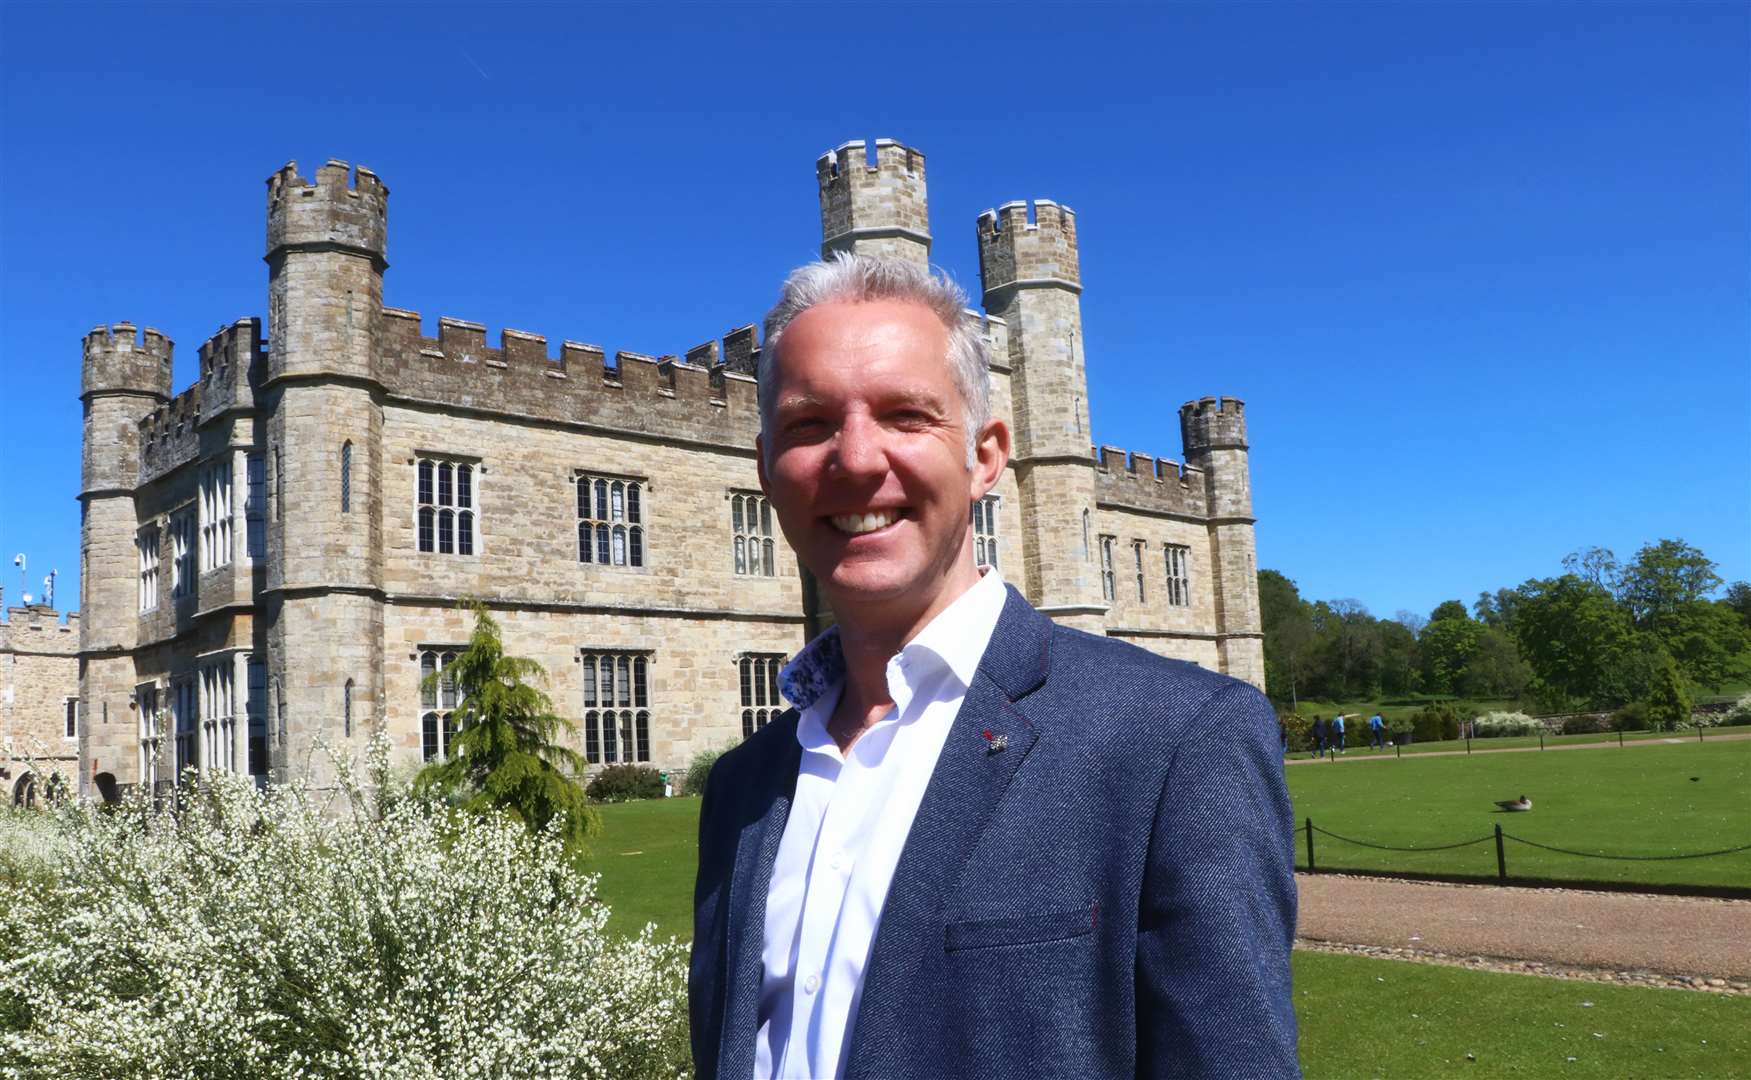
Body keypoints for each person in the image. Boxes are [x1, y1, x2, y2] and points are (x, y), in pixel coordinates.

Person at [688, 254, 1299, 1079]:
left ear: (986, 456)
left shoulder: (1176, 741)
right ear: (765, 467)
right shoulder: (742, 786)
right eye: (810, 424)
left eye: (906, 416)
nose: (857, 459)